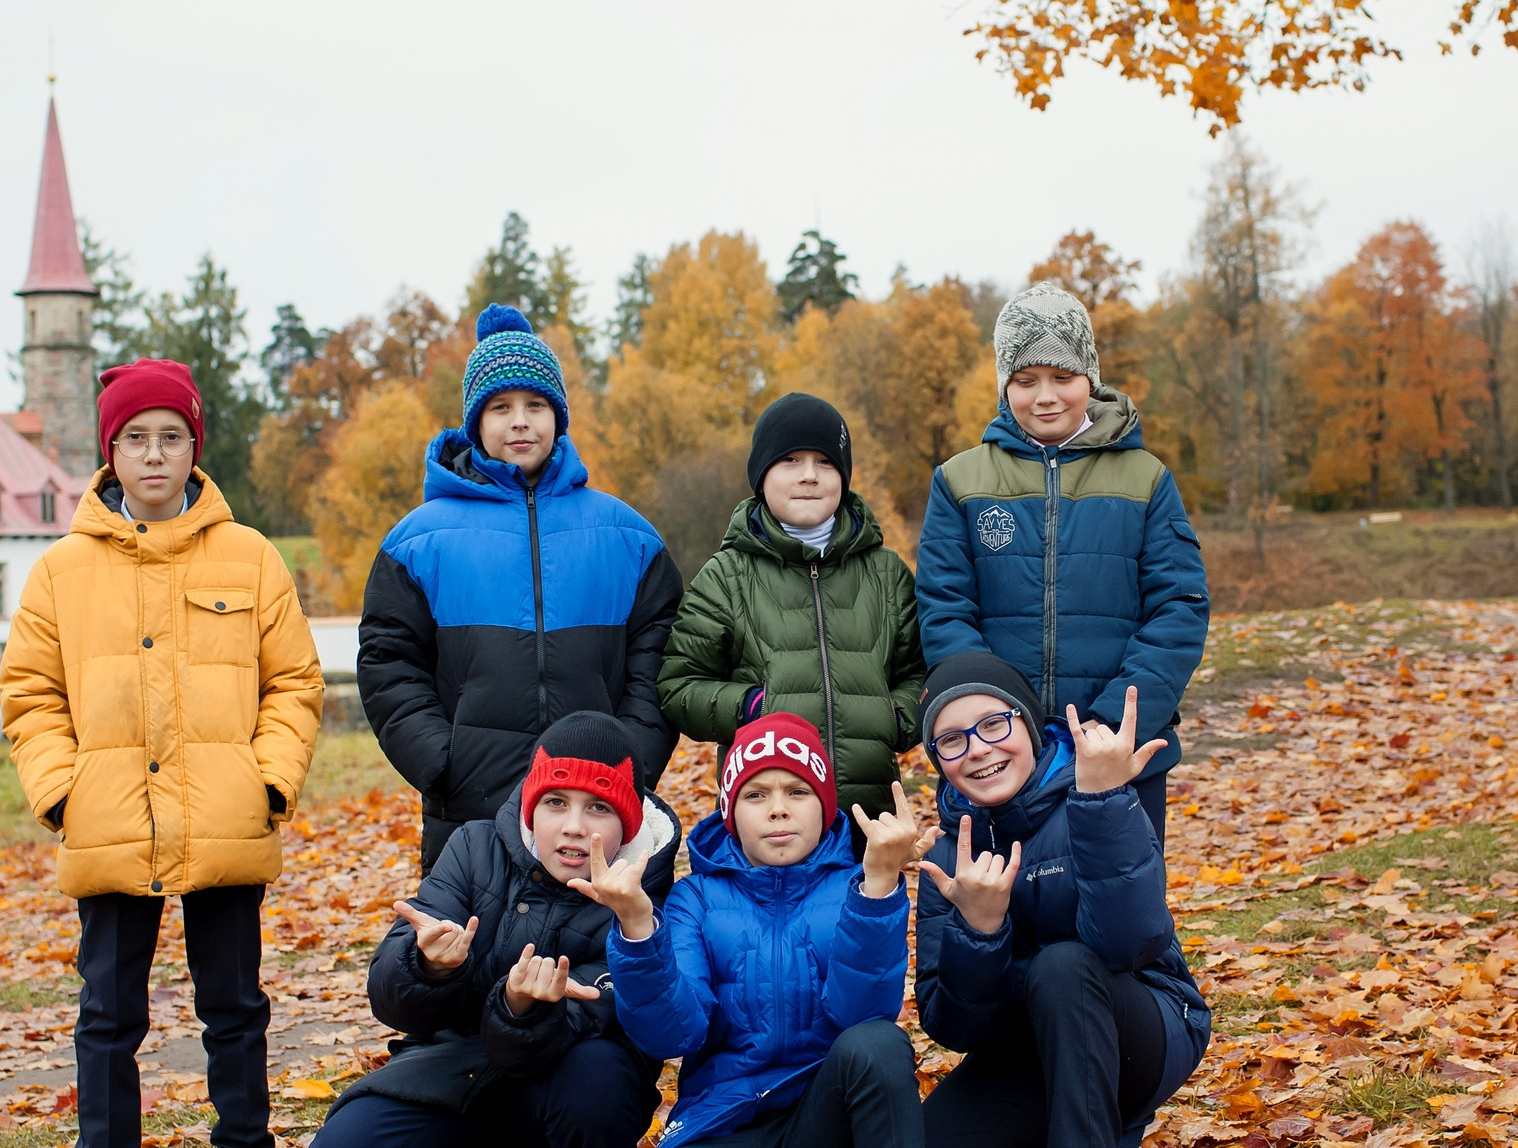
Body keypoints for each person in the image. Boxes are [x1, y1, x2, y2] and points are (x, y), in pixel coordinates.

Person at [0, 358, 327, 1148]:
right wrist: (63, 792)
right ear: (110, 451)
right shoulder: (62, 571)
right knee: (107, 1016)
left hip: (224, 820)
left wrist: (266, 785)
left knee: (236, 1010)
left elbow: (295, 682)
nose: (155, 454)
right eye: (136, 437)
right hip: (109, 823)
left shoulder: (250, 556)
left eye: (171, 436)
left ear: (195, 447)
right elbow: (29, 693)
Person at [584, 713, 964, 1148]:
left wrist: (878, 884)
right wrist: (638, 926)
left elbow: (862, 1013)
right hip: (725, 1123)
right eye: (757, 795)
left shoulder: (854, 883)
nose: (779, 810)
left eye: (797, 792)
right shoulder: (695, 900)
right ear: (731, 810)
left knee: (878, 1044)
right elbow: (676, 1031)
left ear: (824, 804)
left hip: (826, 1117)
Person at [309, 713, 679, 1148]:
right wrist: (427, 964)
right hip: (464, 1073)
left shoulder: (644, 891)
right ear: (532, 805)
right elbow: (394, 994)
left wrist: (525, 1009)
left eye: (598, 809)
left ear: (628, 822)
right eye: (556, 802)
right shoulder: (475, 847)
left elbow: (622, 1013)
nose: (573, 826)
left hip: (577, 1094)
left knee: (600, 1075)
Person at [911, 652, 1210, 1148]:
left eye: (993, 723)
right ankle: (1056, 1141)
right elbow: (952, 1024)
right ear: (938, 761)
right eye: (952, 740)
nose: (978, 749)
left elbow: (1131, 941)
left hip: (1144, 1025)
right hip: (1033, 1051)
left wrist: (1105, 802)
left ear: (1031, 725)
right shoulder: (946, 858)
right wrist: (980, 931)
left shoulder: (1096, 792)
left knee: (1064, 964)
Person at [359, 305, 682, 870]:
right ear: (475, 421)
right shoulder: (419, 540)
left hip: (599, 803)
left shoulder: (626, 535)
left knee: (599, 953)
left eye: (536, 405)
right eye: (501, 407)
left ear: (558, 416)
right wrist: (440, 760)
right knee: (467, 951)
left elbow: (661, 656)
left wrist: (633, 757)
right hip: (468, 808)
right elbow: (389, 662)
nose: (520, 422)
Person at [915, 282, 1209, 841]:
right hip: (997, 758)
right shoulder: (960, 481)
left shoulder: (1145, 478)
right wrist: (994, 726)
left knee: (1120, 911)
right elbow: (943, 609)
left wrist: (1113, 724)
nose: (1045, 396)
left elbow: (1179, 608)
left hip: (1118, 755)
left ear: (1090, 379)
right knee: (1000, 915)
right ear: (1005, 386)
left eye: (1062, 377)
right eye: (1026, 381)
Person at [657, 393, 925, 819]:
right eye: (790, 461)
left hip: (869, 817)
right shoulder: (726, 577)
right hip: (766, 819)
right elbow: (679, 687)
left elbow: (917, 674)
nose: (809, 476)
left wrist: (894, 718)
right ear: (762, 476)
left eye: (824, 462)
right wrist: (752, 708)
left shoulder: (887, 574)